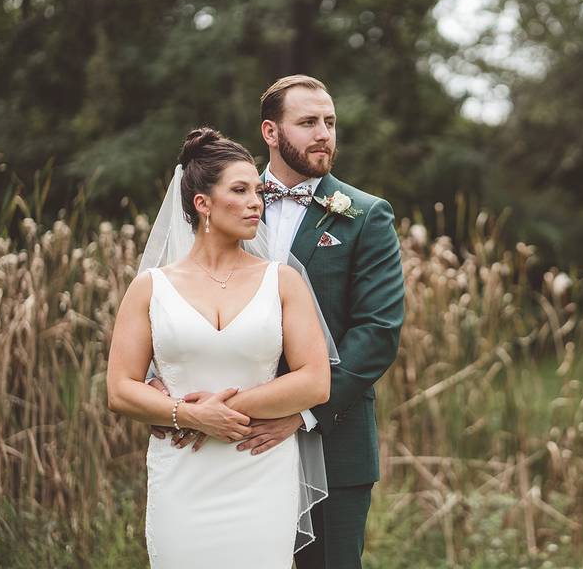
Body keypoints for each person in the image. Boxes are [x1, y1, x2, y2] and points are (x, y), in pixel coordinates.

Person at [164, 75, 405, 567]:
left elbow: (377, 333)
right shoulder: (229, 205)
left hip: (332, 440)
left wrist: (302, 412)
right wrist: (167, 381)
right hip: (226, 438)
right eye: (308, 122)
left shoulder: (366, 215)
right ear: (270, 133)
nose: (324, 134)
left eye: (330, 123)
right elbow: (186, 298)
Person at [106, 128, 333, 568]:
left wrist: (224, 412)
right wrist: (188, 415)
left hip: (260, 468)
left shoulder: (282, 280)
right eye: (240, 190)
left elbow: (315, 380)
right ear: (202, 204)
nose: (256, 201)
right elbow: (119, 389)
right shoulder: (151, 287)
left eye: (258, 191)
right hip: (182, 473)